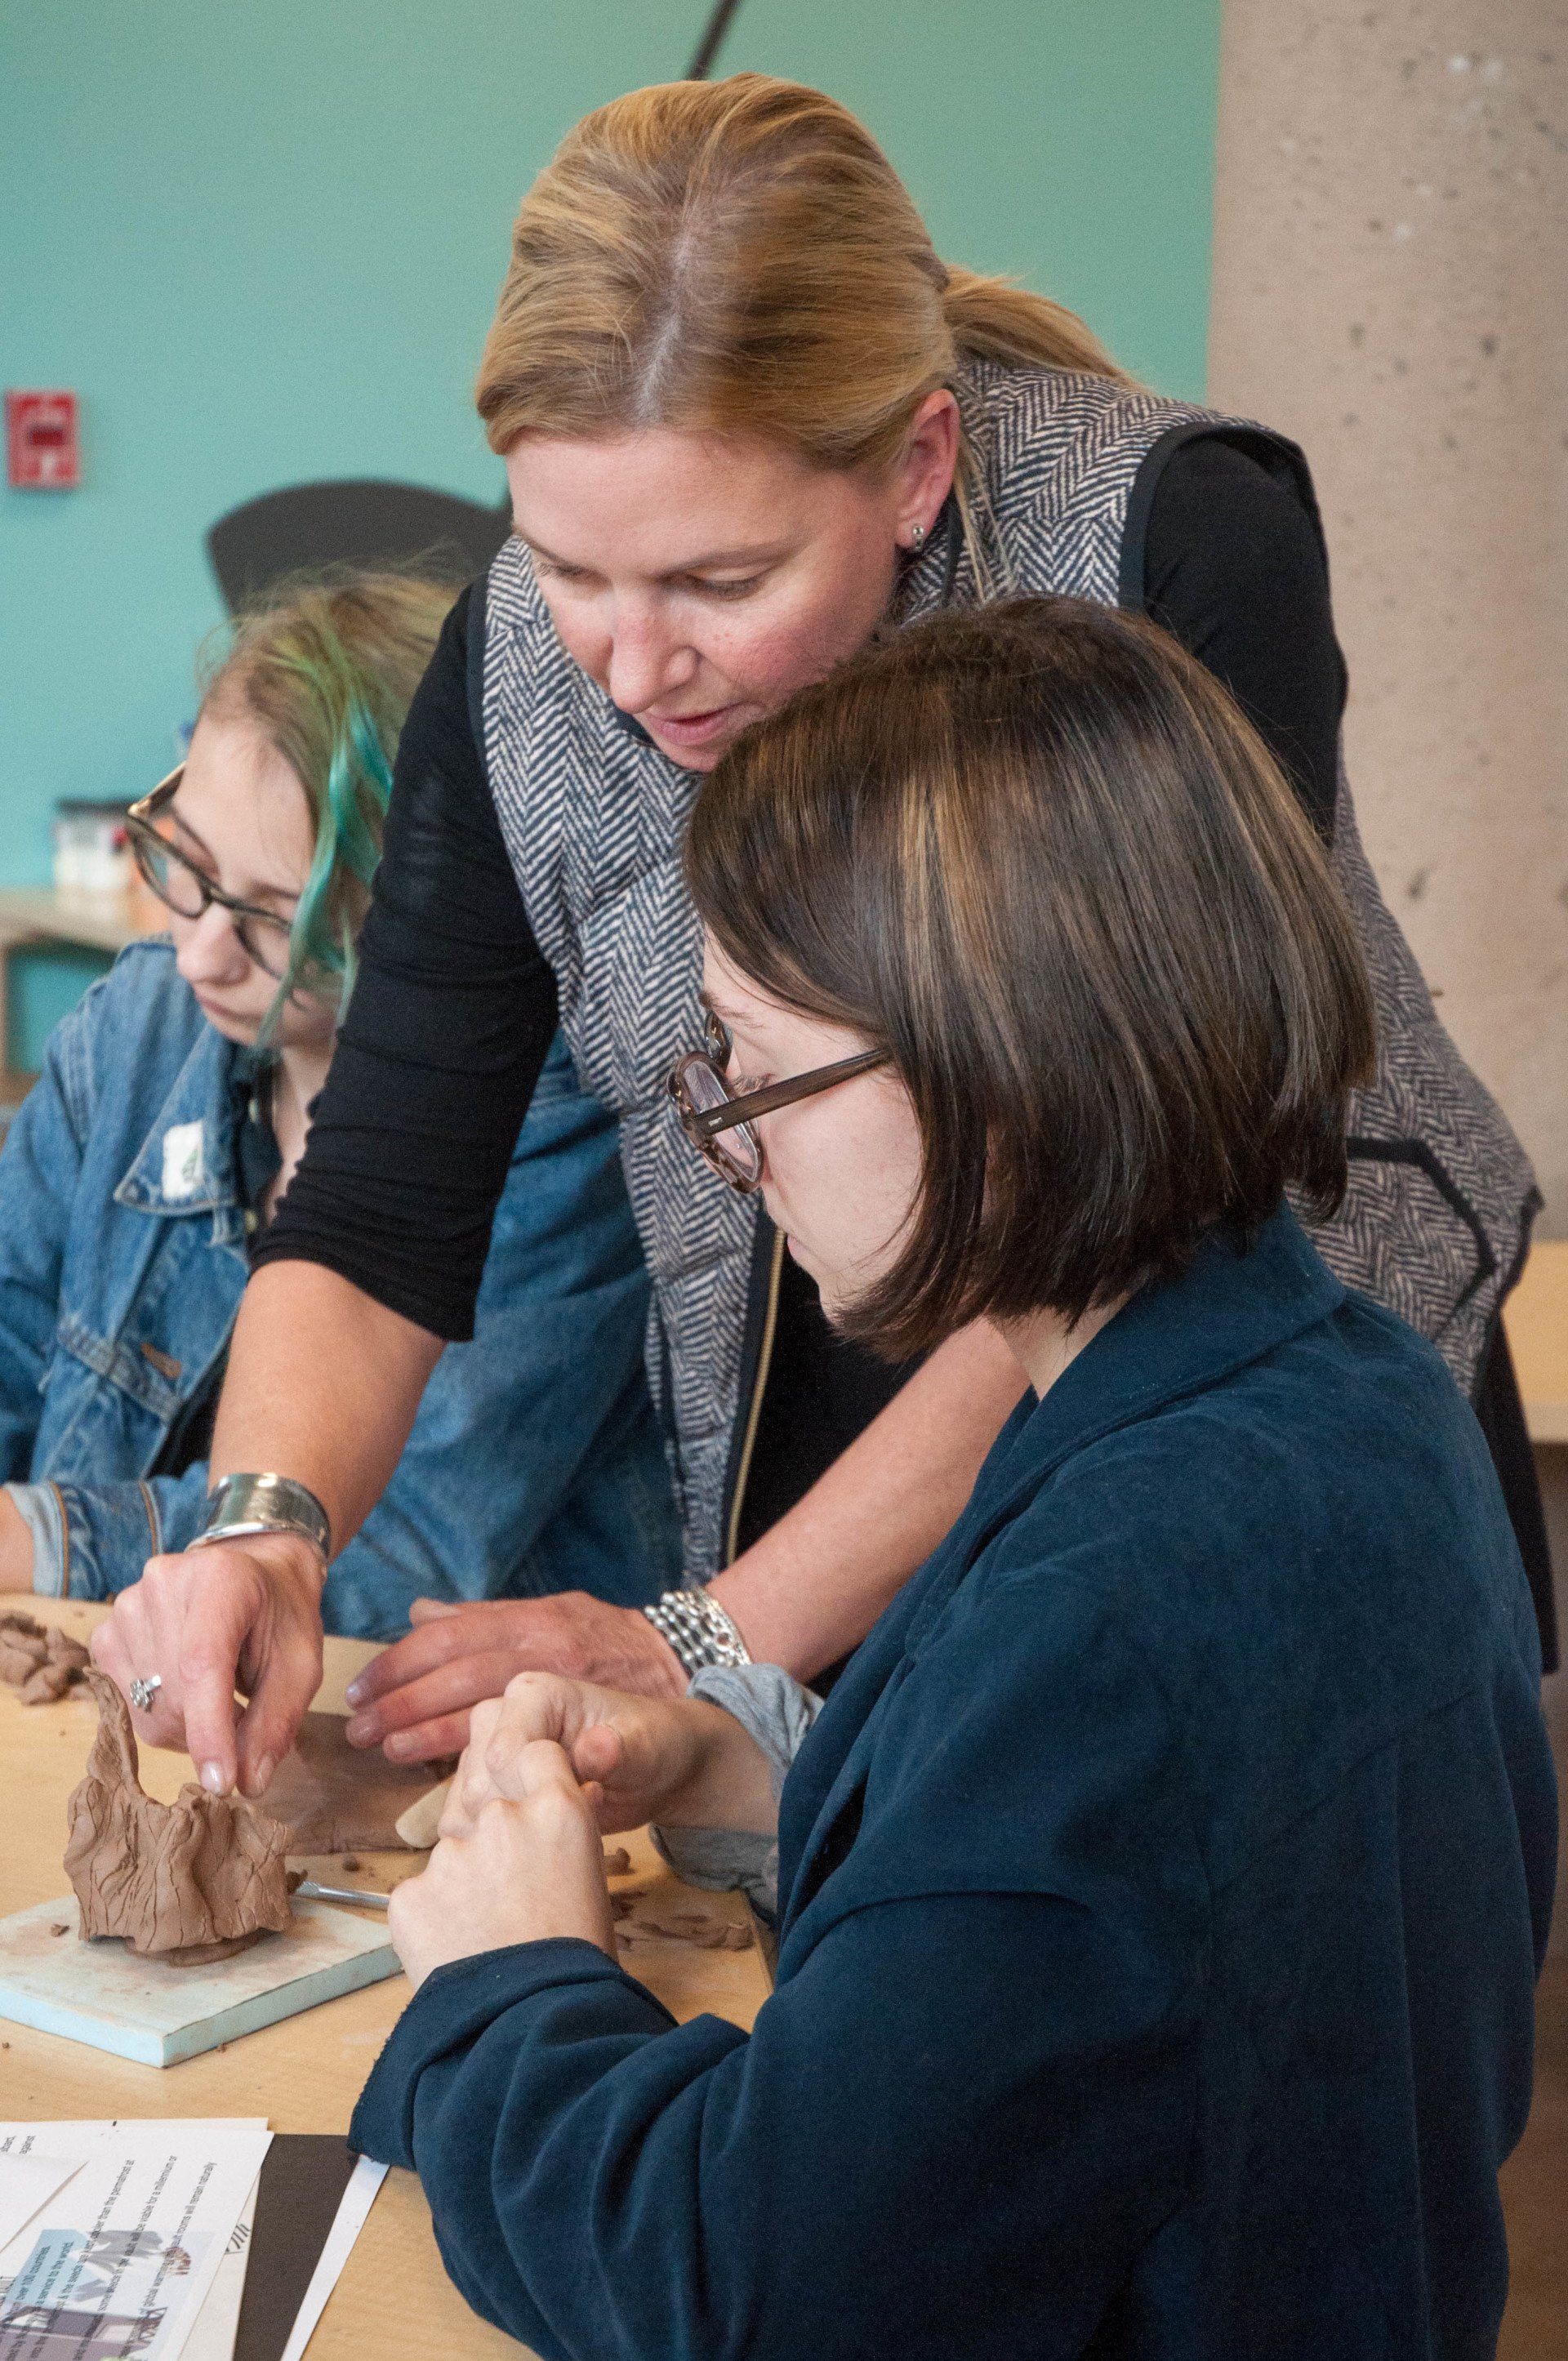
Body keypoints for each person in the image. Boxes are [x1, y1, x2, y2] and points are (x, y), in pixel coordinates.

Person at [91, 74, 1546, 1799]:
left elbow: (1129, 1224)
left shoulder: (1173, 539)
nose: (630, 669)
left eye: (721, 585)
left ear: (918, 467)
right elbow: (385, 1197)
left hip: (1242, 1473)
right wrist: (265, 1530)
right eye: (568, 570)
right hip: (827, 1460)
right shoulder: (513, 670)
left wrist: (705, 1637)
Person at [350, 600, 1557, 2361]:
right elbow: (1126, 1929)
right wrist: (749, 1766)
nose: (732, 1142)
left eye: (761, 1071)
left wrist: (508, 1982)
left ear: (1004, 1072)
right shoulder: (1350, 1393)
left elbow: (752, 2294)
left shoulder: (1124, 1595)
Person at [0, 572, 678, 1647]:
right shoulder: (136, 1028)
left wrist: (47, 1540)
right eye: (186, 864)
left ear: (429, 916)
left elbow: (397, 1552)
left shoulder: (563, 1136)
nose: (199, 952)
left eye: (278, 918)